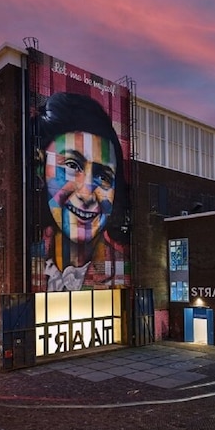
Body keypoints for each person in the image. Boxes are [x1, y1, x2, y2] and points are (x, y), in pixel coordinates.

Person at [32, 92, 129, 291]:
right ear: (41, 167)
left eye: (103, 177)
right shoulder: (27, 256)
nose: (86, 193)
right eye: (72, 165)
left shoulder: (121, 271)